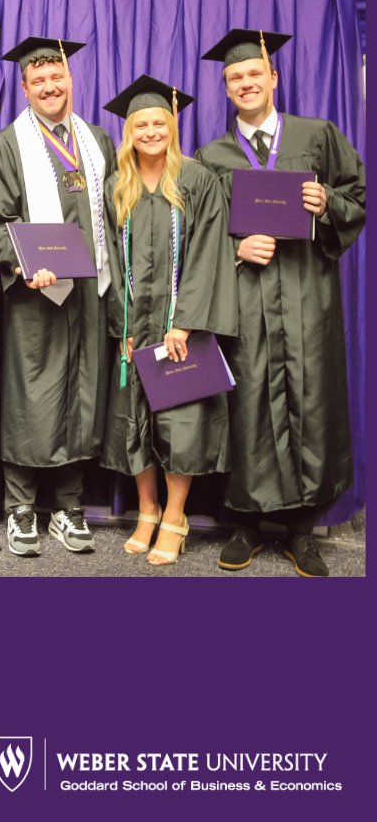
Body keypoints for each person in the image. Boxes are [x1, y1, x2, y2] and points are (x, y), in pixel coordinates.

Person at [195, 28, 365, 577]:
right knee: (246, 405)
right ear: (226, 89)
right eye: (234, 78)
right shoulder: (213, 154)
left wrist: (326, 203)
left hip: (306, 293)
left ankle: (300, 531)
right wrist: (236, 245)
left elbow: (356, 198)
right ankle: (244, 523)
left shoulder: (317, 135)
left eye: (253, 74)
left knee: (309, 401)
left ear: (274, 78)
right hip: (246, 298)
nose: (245, 83)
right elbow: (200, 232)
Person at [0, 37, 115, 557]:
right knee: (30, 396)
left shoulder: (98, 140)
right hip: (33, 292)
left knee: (82, 395)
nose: (49, 87)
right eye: (38, 81)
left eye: (56, 77)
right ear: (25, 87)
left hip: (89, 291)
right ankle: (20, 507)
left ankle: (68, 505)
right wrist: (20, 265)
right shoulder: (7, 145)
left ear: (70, 79)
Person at [101, 76, 238, 565]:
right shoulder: (116, 184)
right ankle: (147, 510)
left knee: (181, 422)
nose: (151, 131)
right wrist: (121, 322)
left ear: (172, 126)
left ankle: (175, 517)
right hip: (134, 324)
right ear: (129, 130)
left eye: (160, 122)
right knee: (133, 419)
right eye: (142, 124)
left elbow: (208, 255)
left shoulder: (197, 179)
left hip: (182, 327)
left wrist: (186, 322)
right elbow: (110, 263)